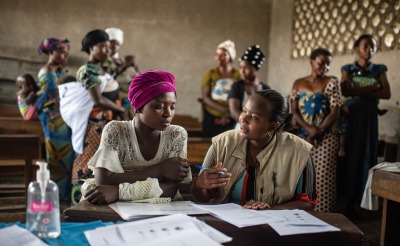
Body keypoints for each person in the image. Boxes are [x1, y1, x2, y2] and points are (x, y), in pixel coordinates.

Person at [192, 89, 317, 211]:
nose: (243, 119)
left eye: (254, 117)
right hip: (227, 223)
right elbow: (201, 197)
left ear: (273, 126)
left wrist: (270, 209)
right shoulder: (222, 144)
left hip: (272, 225)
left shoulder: (300, 152)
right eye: (244, 111)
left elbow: (308, 202)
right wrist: (200, 186)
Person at [81, 70, 191, 205]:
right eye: (159, 106)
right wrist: (159, 170)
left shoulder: (176, 135)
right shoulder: (116, 130)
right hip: (113, 207)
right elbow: (103, 180)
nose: (168, 114)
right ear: (139, 107)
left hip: (162, 208)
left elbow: (171, 189)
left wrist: (118, 191)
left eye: (172, 107)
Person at [67, 29, 125, 204]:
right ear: (92, 48)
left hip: (106, 124)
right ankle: (80, 201)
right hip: (94, 127)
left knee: (104, 164)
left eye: (109, 46)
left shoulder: (101, 69)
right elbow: (97, 98)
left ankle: (99, 200)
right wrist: (119, 109)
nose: (107, 50)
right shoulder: (86, 71)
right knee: (88, 162)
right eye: (102, 46)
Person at [340, 34, 391, 215]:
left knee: (366, 157)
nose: (370, 50)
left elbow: (387, 93)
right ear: (357, 48)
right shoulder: (348, 69)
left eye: (373, 47)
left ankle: (363, 204)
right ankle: (347, 202)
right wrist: (375, 87)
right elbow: (345, 89)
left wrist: (358, 91)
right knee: (350, 156)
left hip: (370, 120)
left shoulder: (379, 69)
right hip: (352, 118)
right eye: (366, 46)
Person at [290, 48, 341, 213]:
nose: (324, 67)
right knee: (302, 176)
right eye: (320, 63)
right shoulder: (298, 83)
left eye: (328, 64)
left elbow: (335, 112)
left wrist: (317, 130)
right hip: (303, 136)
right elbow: (294, 110)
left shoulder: (332, 82)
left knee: (323, 178)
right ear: (311, 61)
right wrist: (308, 130)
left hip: (326, 136)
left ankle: (323, 216)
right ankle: (302, 213)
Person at [36, 38, 75, 201]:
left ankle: (63, 194)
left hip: (61, 117)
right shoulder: (46, 72)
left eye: (66, 53)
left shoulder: (57, 71)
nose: (65, 56)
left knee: (66, 157)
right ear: (51, 52)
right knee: (57, 157)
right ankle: (55, 196)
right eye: (61, 52)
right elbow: (55, 97)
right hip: (53, 120)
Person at [201, 40, 241, 137]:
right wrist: (225, 110)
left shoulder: (238, 75)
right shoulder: (210, 74)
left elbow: (241, 97)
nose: (218, 58)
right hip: (212, 115)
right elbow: (205, 98)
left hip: (232, 116)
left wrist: (229, 114)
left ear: (230, 57)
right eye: (217, 54)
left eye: (223, 55)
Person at [229, 44, 270, 128]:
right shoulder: (237, 86)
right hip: (241, 125)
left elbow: (268, 112)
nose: (242, 71)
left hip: (259, 128)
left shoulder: (266, 89)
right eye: (240, 67)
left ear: (255, 69)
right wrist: (249, 124)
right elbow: (234, 112)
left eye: (246, 68)